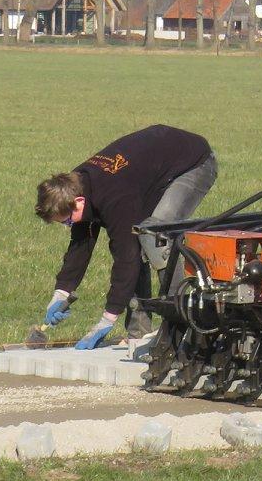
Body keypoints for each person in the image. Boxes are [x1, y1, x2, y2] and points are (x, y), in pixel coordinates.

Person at [35, 124, 217, 349]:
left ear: (78, 202)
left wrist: (107, 319)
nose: (69, 226)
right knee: (135, 240)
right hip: (151, 167)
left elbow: (126, 258)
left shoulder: (115, 197)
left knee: (153, 233)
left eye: (68, 221)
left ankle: (181, 320)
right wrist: (61, 292)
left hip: (194, 163)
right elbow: (81, 245)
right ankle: (138, 333)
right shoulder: (76, 184)